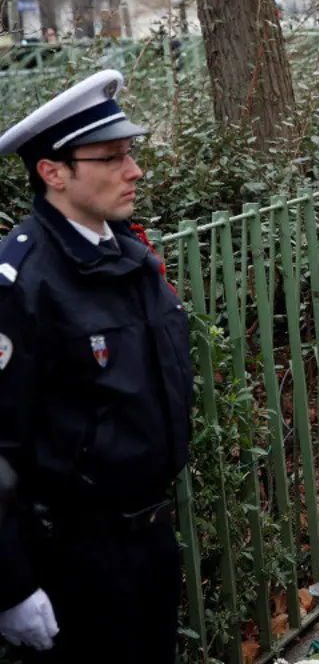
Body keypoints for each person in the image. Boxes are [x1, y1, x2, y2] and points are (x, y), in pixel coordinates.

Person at [0, 70, 193, 662]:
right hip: (73, 558)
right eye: (110, 158)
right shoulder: (22, 282)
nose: (133, 170)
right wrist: (11, 585)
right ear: (53, 173)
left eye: (129, 153)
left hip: (150, 537)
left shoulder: (128, 257)